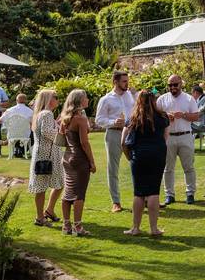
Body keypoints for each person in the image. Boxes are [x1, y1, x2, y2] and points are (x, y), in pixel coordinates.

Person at [122, 90, 169, 236]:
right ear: (154, 100)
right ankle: (154, 228)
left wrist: (129, 157)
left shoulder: (133, 118)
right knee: (154, 191)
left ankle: (135, 228)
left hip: (139, 156)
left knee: (139, 192)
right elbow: (165, 137)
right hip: (157, 155)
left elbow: (123, 141)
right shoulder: (163, 116)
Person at [94, 70, 135, 213]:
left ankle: (145, 198)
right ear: (115, 82)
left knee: (138, 165)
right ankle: (116, 202)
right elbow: (98, 120)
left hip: (132, 133)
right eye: (124, 81)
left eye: (127, 80)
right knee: (113, 168)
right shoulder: (106, 99)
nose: (127, 83)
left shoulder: (130, 95)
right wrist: (113, 122)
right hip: (114, 134)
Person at [157, 74, 200, 206]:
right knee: (167, 168)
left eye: (175, 84)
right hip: (168, 137)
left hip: (185, 135)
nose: (173, 87)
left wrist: (184, 115)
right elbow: (155, 117)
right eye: (170, 85)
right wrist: (166, 117)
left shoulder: (188, 99)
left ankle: (190, 193)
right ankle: (169, 194)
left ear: (181, 84)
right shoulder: (162, 99)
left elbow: (197, 116)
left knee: (188, 167)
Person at [59, 89, 96, 236]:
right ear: (80, 101)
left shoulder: (65, 118)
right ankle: (78, 227)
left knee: (68, 192)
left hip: (67, 158)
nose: (88, 99)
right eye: (86, 97)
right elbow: (84, 143)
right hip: (79, 158)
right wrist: (92, 162)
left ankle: (66, 225)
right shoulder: (80, 119)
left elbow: (62, 137)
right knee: (79, 194)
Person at [27, 89, 64, 227]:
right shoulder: (47, 113)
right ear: (48, 99)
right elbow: (47, 132)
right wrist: (62, 134)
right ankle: (40, 216)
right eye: (56, 97)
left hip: (44, 153)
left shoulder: (42, 114)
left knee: (55, 183)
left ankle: (48, 211)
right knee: (44, 185)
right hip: (46, 154)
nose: (58, 99)